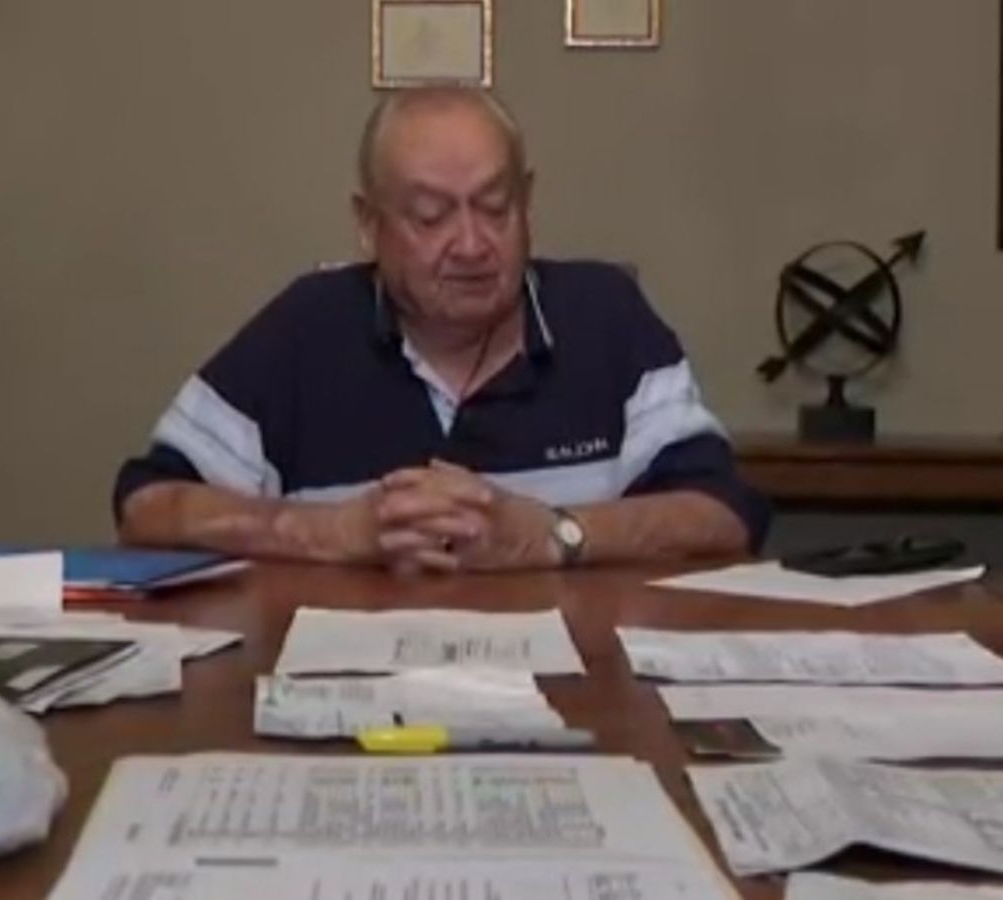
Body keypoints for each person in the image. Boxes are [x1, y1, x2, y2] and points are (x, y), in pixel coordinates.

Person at [114, 87, 768, 573]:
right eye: (431, 217)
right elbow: (149, 507)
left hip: (579, 685)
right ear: (368, 225)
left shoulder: (606, 316)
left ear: (528, 203)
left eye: (495, 208)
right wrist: (333, 532)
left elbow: (721, 514)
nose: (473, 245)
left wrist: (552, 534)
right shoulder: (306, 327)